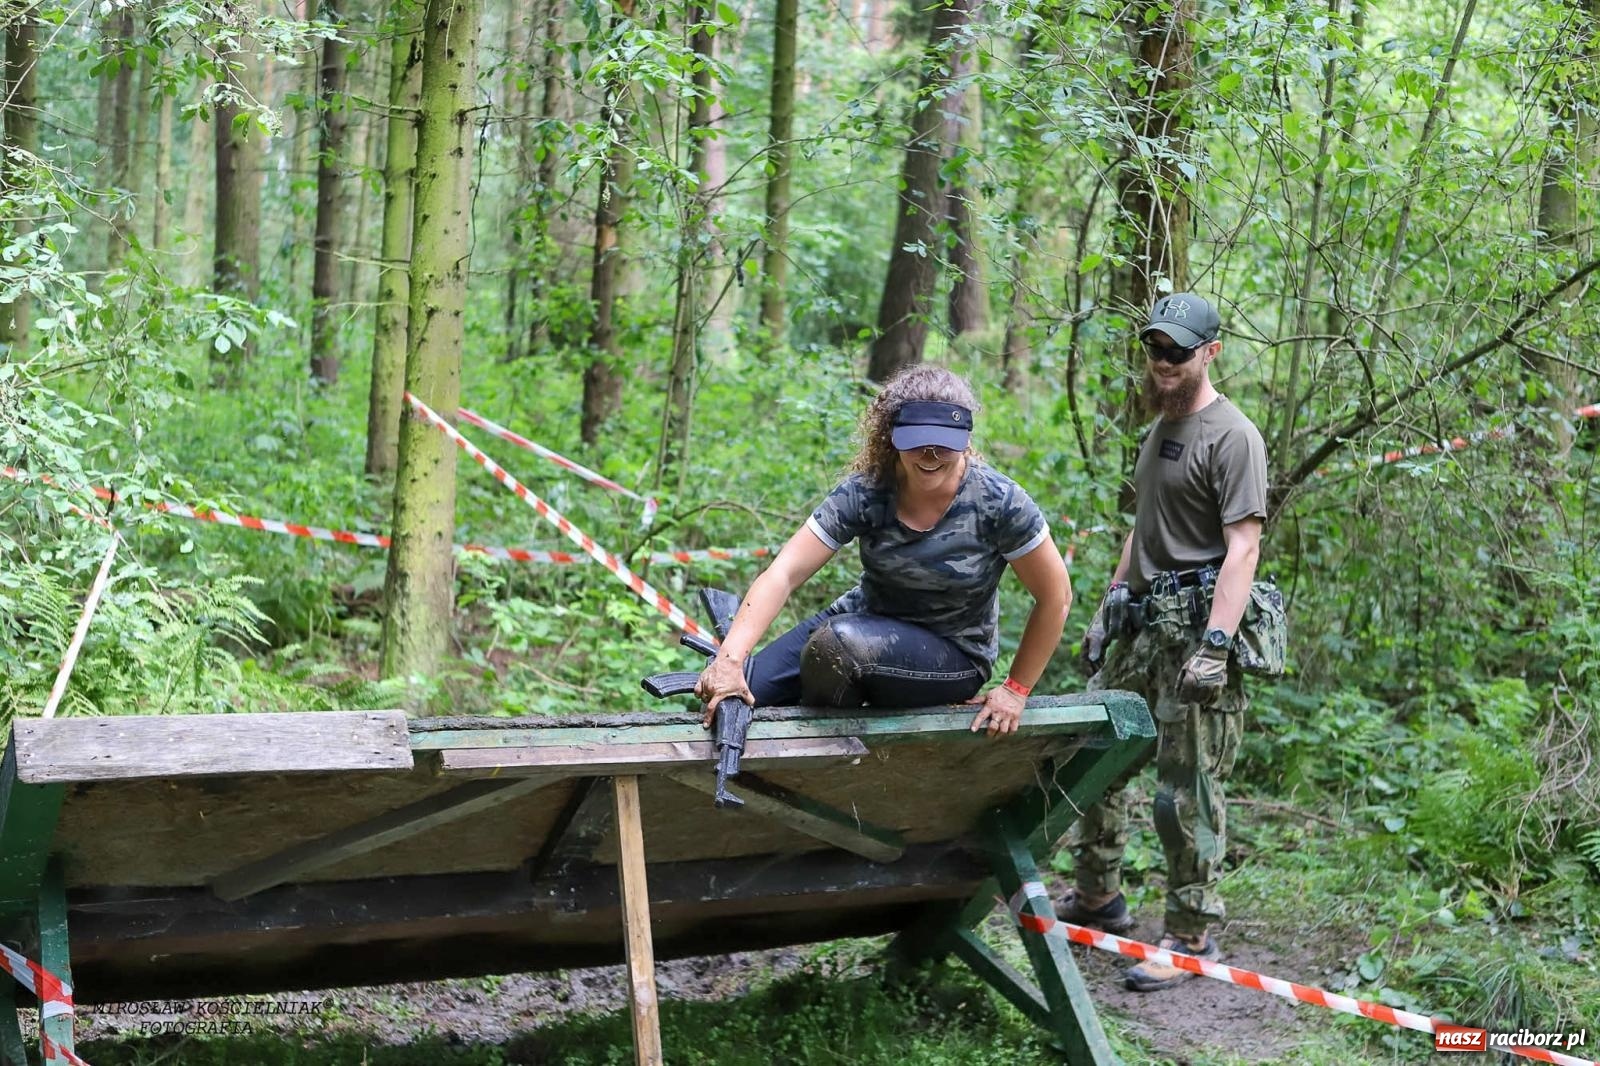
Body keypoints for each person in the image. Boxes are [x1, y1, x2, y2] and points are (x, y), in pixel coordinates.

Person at [1058, 293, 1285, 992]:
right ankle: (1099, 894)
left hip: (1195, 631)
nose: (1162, 361)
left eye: (1177, 351)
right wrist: (1108, 606)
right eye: (1155, 348)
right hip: (1144, 627)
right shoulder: (1158, 430)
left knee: (1183, 793)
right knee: (1093, 755)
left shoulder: (1233, 435)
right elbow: (1142, 527)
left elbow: (1243, 547)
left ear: (1210, 353)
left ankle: (1190, 935)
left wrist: (1215, 644)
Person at [694, 365, 1071, 737]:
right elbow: (785, 572)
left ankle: (835, 758)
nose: (930, 455)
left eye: (943, 445)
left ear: (966, 439)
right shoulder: (867, 490)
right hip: (860, 621)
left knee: (836, 648)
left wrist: (1015, 690)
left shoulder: (1000, 502)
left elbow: (1056, 596)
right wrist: (730, 660)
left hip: (952, 652)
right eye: (918, 442)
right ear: (892, 436)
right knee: (730, 699)